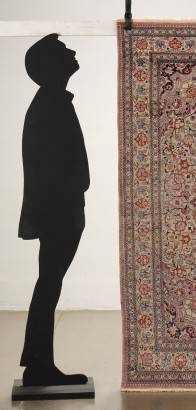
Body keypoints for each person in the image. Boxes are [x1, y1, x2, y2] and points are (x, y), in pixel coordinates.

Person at [18, 33, 90, 386]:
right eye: (63, 50)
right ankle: (38, 365)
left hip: (60, 208)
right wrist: (67, 203)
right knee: (48, 285)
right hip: (58, 210)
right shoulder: (50, 104)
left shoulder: (51, 102)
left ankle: (38, 363)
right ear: (51, 65)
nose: (72, 51)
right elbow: (48, 166)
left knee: (48, 284)